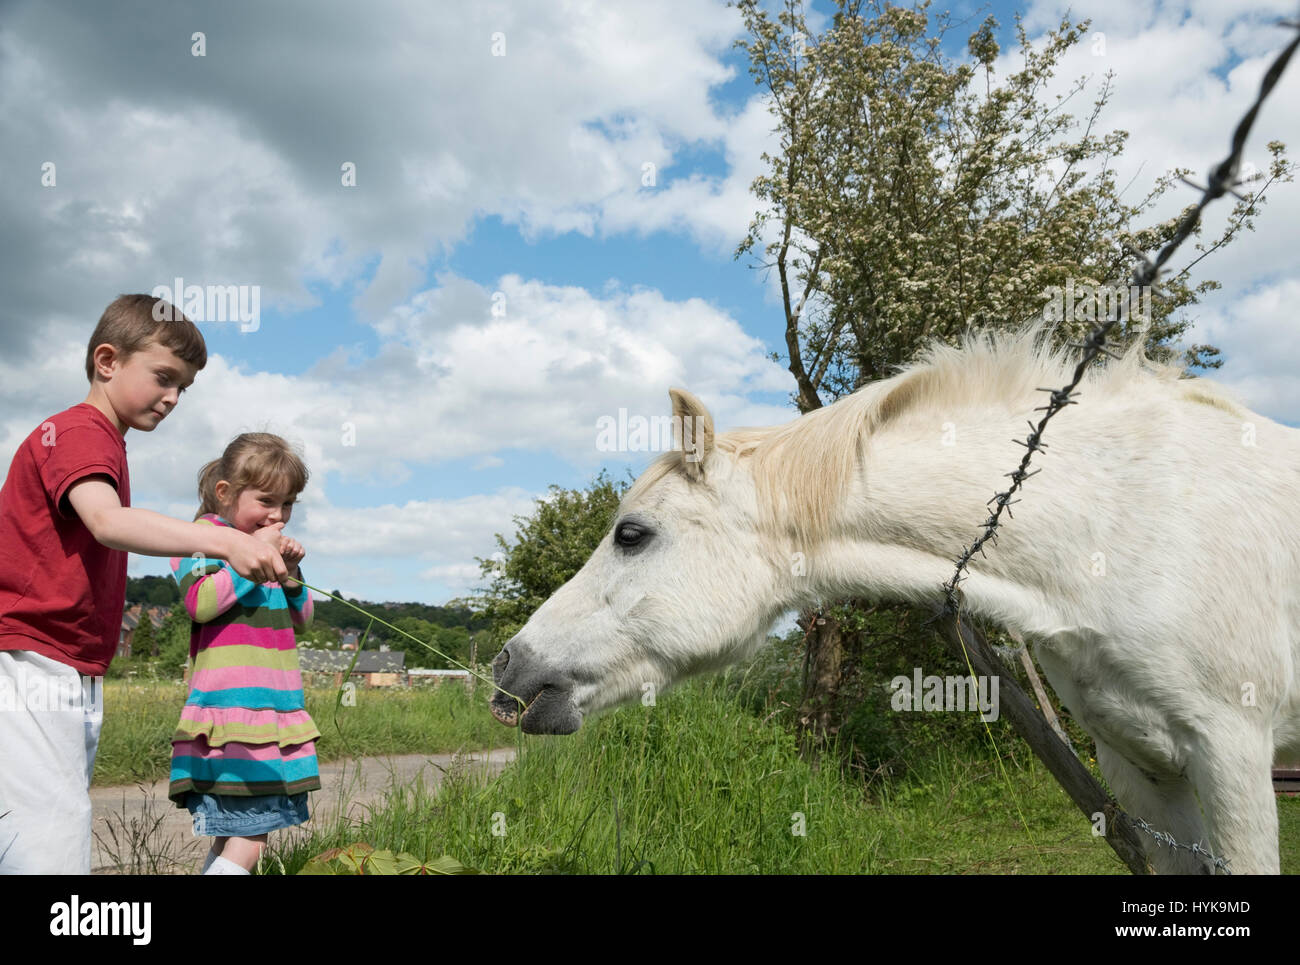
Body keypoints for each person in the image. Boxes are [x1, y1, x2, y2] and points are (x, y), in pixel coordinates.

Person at [0, 294, 289, 875]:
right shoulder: (79, 432)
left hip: (66, 665)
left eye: (184, 387)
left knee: (33, 828)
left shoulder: (104, 440)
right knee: (50, 844)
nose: (173, 399)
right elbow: (108, 523)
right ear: (108, 360)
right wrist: (224, 541)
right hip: (33, 660)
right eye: (164, 378)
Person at [168, 433, 320, 875]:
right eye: (267, 501)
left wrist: (290, 576)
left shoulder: (267, 552)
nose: (278, 515)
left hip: (271, 719)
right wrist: (254, 559)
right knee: (251, 838)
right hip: (231, 719)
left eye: (288, 504)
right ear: (226, 494)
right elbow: (203, 601)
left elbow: (303, 619)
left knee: (236, 833)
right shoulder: (201, 539)